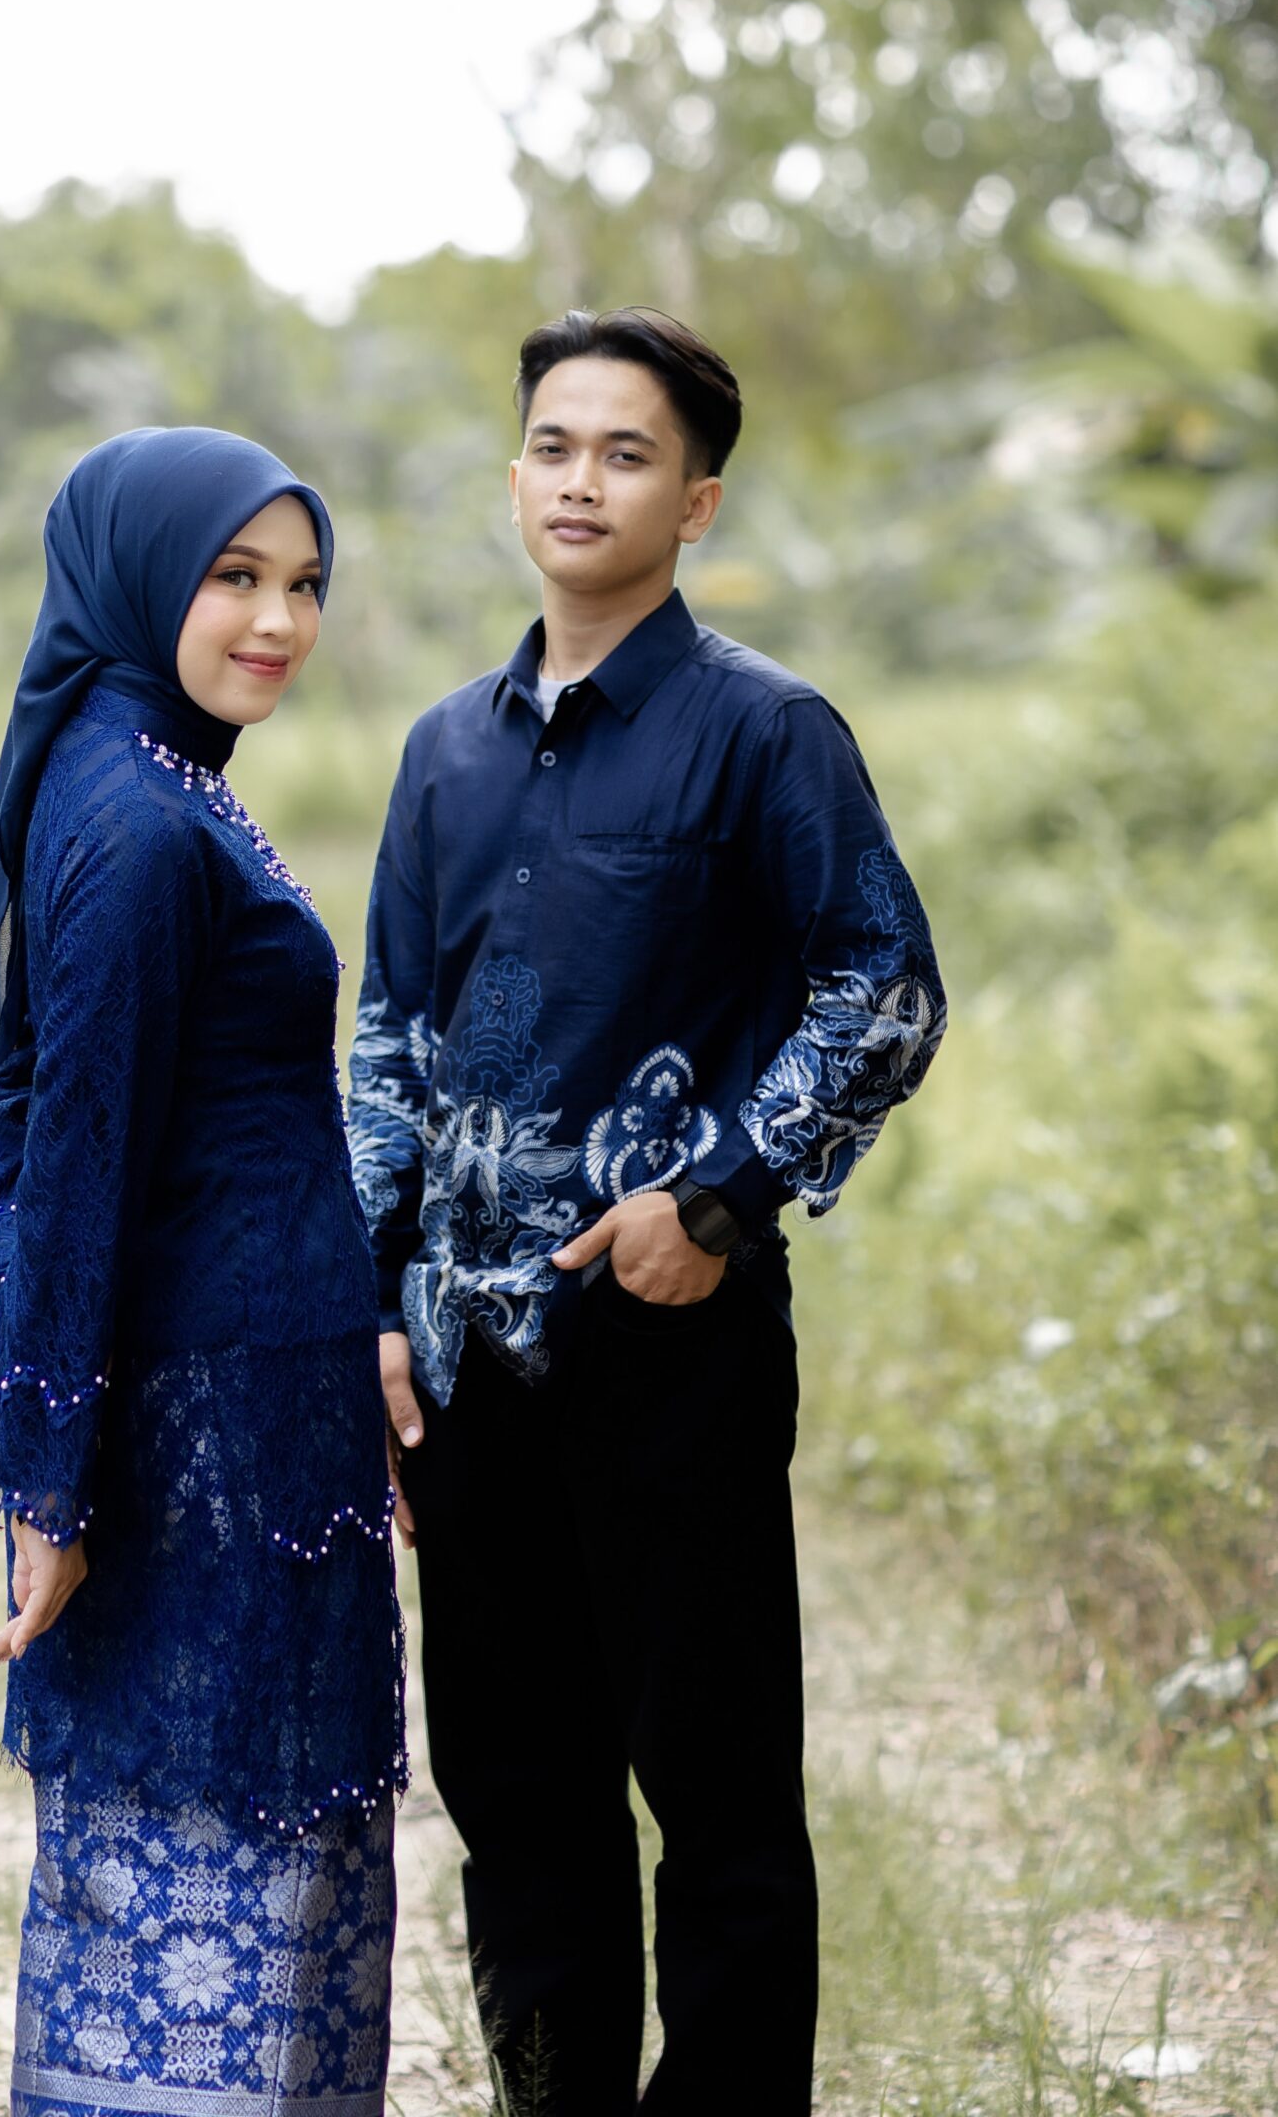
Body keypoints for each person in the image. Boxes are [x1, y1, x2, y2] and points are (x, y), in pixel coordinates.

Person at [348, 309, 947, 2116]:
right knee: (517, 1802)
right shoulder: (443, 751)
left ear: (695, 502)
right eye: (552, 445)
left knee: (719, 1800)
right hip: (467, 1371)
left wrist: (719, 1194)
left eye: (625, 454)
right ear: (513, 473)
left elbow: (883, 988)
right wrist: (373, 1299)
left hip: (668, 1347)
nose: (579, 481)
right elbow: (388, 1038)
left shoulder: (765, 731)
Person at [0, 426, 407, 2117]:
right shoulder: (140, 821)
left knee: (240, 1864)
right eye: (233, 577)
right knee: (210, 1859)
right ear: (139, 578)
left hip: (250, 1406)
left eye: (304, 584)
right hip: (206, 1440)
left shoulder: (152, 775)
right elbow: (79, 1166)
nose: (278, 621)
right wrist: (45, 1488)